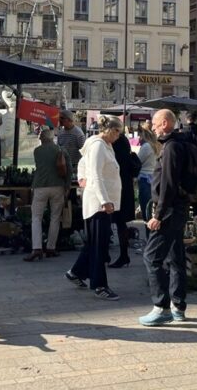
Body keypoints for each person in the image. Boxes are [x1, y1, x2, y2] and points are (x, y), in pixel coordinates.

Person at [139, 109, 189, 327]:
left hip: (169, 212)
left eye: (155, 122)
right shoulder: (180, 144)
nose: (153, 126)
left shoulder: (170, 148)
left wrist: (158, 215)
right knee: (176, 257)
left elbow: (168, 184)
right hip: (178, 209)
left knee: (152, 257)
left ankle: (162, 307)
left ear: (166, 123)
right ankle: (178, 305)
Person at [65, 115, 122, 300]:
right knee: (99, 245)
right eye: (118, 131)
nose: (119, 135)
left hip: (102, 202)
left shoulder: (103, 145)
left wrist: (82, 175)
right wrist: (105, 200)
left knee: (94, 242)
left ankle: (76, 272)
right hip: (99, 203)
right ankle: (99, 285)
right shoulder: (98, 145)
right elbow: (96, 174)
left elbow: (83, 162)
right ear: (110, 130)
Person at [26, 128, 69, 261]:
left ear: (43, 138)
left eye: (40, 137)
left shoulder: (37, 151)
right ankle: (51, 248)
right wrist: (67, 186)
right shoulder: (61, 150)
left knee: (36, 217)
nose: (39, 139)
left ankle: (37, 248)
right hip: (58, 186)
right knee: (55, 218)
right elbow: (69, 170)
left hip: (40, 186)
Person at [109, 130, 139, 268]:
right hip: (125, 188)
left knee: (118, 222)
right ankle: (123, 254)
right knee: (120, 223)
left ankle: (123, 255)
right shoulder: (124, 145)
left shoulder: (116, 150)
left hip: (118, 189)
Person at [136, 128, 161, 223]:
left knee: (146, 208)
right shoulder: (157, 145)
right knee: (152, 207)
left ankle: (148, 233)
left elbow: (138, 161)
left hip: (144, 178)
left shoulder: (146, 146)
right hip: (154, 177)